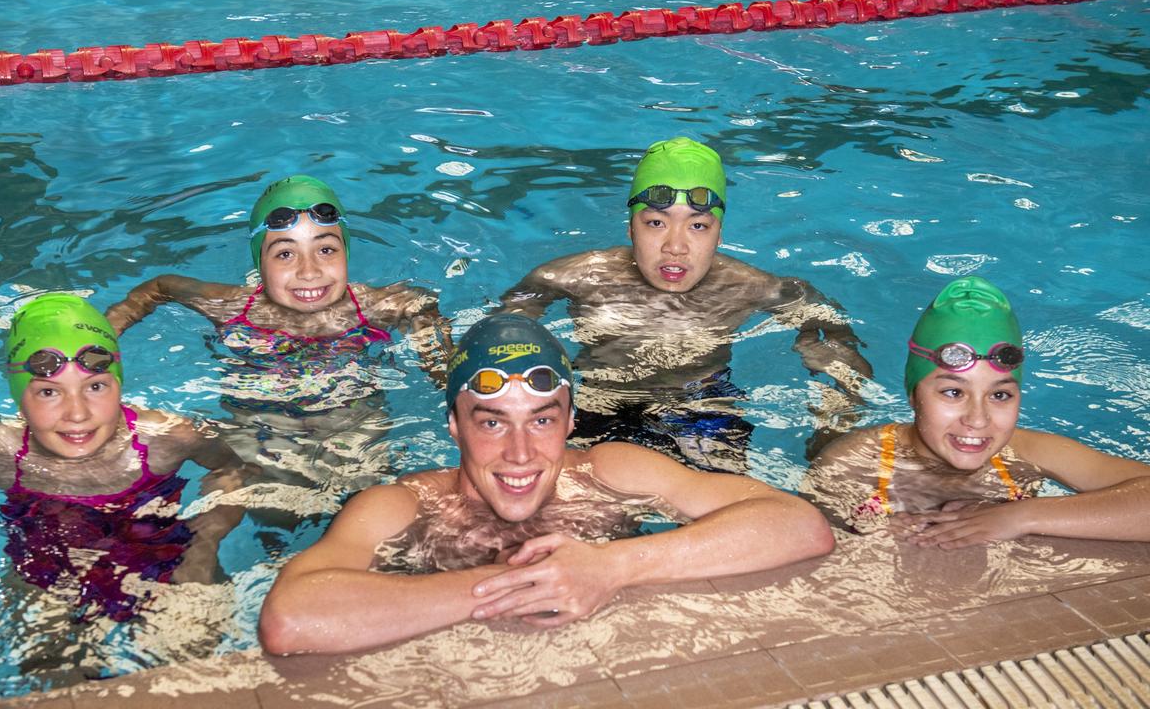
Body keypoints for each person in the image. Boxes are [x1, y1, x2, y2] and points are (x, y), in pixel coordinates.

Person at [257, 314, 834, 655]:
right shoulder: (403, 506)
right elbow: (291, 619)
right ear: (454, 426)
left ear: (572, 422)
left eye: (541, 418)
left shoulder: (612, 472)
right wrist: (527, 585)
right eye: (491, 421)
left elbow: (799, 525)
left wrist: (612, 568)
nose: (520, 454)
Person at [498, 137, 873, 473]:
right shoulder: (573, 277)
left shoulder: (751, 286)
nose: (675, 246)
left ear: (719, 235)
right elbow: (500, 337)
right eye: (656, 223)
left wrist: (830, 389)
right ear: (631, 229)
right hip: (600, 405)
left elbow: (833, 333)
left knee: (723, 523)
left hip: (703, 408)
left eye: (697, 226)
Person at [0, 294, 254, 630]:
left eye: (96, 386)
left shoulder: (166, 437)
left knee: (191, 645)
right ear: (19, 399)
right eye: (49, 392)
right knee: (48, 663)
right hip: (46, 573)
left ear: (118, 384)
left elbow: (234, 470)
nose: (77, 413)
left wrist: (203, 546)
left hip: (163, 556)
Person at [105, 174, 452, 482]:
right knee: (266, 502)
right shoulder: (233, 307)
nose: (309, 271)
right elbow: (161, 286)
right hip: (260, 428)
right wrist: (106, 334)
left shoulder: (377, 306)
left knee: (364, 492)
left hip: (353, 424)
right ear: (260, 262)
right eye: (285, 254)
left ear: (347, 252)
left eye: (326, 249)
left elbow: (420, 305)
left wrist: (438, 363)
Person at [803, 276, 1150, 546]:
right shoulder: (849, 466)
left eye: (1000, 395)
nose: (978, 420)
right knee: (834, 420)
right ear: (912, 394)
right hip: (862, 450)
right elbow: (808, 548)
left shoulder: (1028, 451)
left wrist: (1022, 516)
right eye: (953, 392)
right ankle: (834, 354)